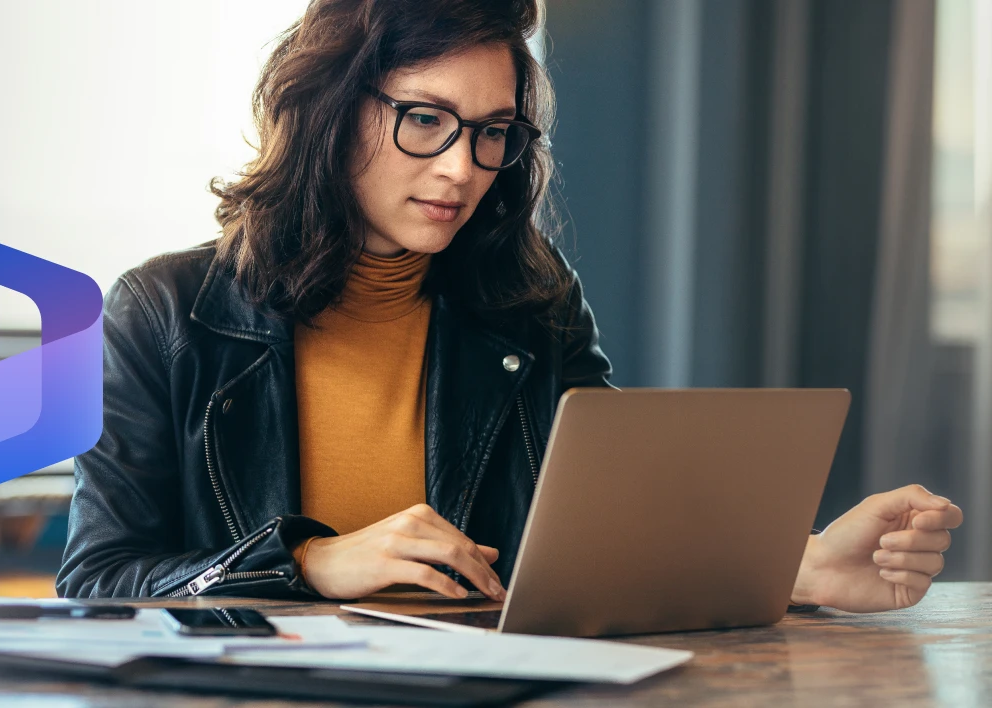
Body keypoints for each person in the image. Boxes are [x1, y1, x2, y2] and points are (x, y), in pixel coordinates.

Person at [57, 0, 963, 614]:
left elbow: (610, 533)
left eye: (493, 132)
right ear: (329, 108)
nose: (461, 167)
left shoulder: (529, 298)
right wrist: (306, 564)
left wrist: (798, 566)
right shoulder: (165, 311)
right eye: (425, 119)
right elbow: (97, 581)